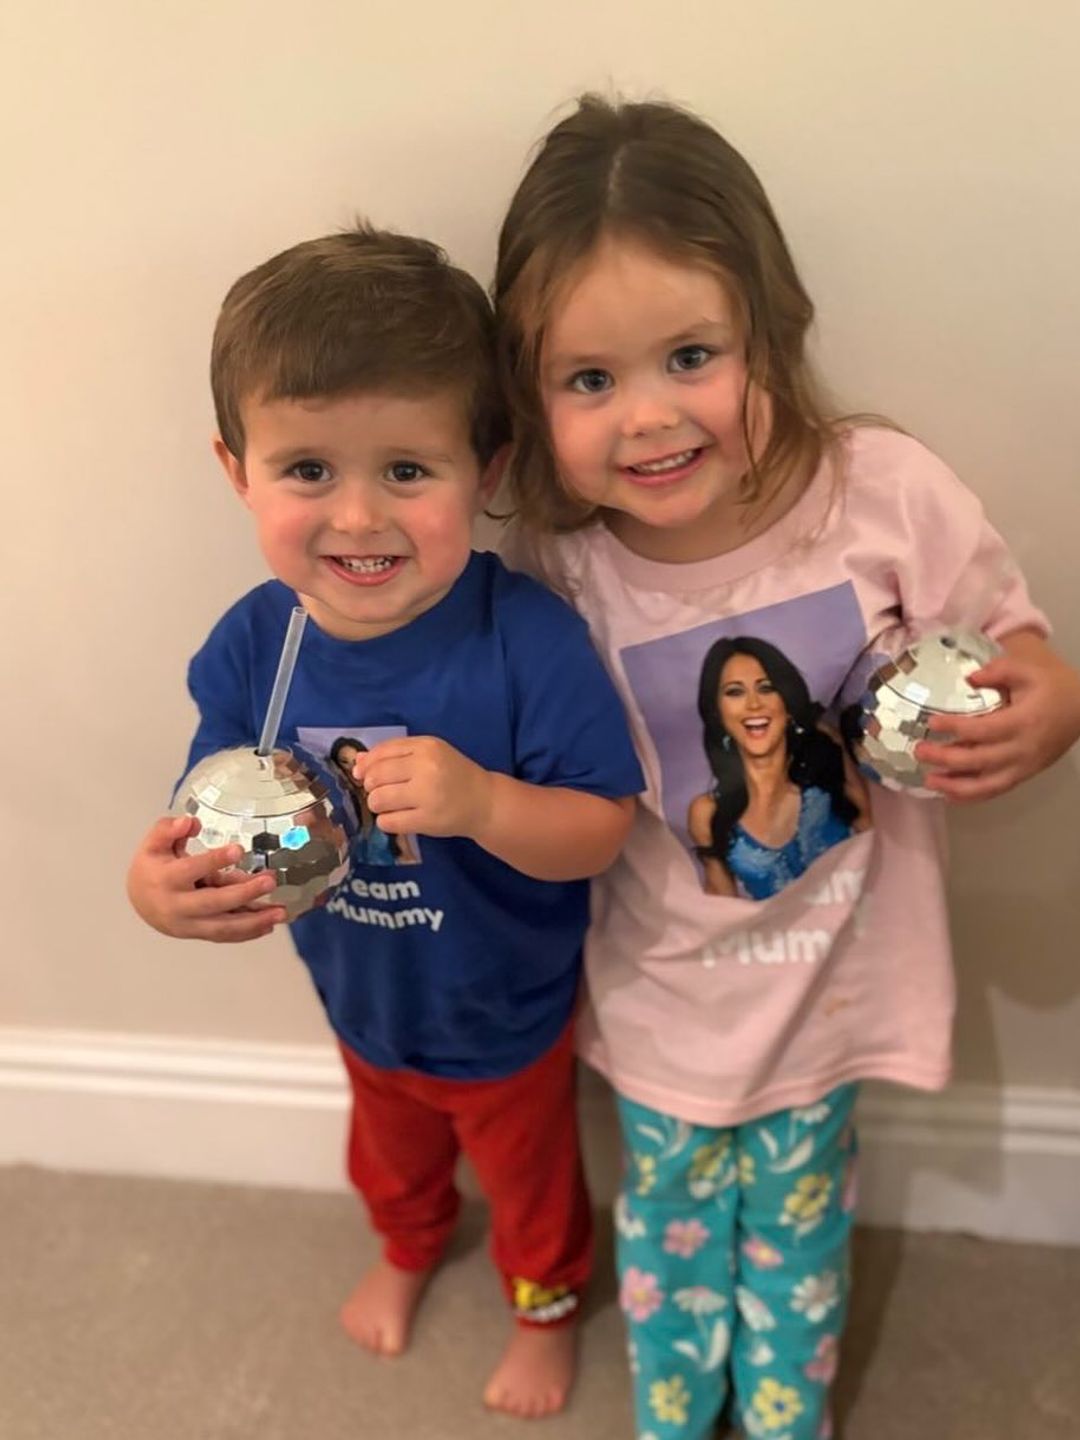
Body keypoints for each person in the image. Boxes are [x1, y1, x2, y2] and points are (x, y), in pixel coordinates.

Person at [493, 94, 1080, 1440]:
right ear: (529, 396)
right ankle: (672, 1419)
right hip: (663, 1000)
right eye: (590, 380)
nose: (647, 418)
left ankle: (783, 1418)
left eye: (690, 355)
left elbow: (1022, 650)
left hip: (835, 991)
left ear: (773, 329)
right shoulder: (557, 573)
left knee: (799, 1247)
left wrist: (1053, 706)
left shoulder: (881, 492)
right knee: (673, 1245)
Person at [126, 224, 643, 1420]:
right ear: (235, 470)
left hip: (507, 1009)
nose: (357, 516)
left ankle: (545, 1306)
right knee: (389, 1155)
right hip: (360, 996)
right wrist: (159, 886)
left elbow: (601, 830)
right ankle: (410, 1244)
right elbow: (202, 804)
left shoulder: (527, 642)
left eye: (408, 471)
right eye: (306, 470)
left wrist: (483, 803)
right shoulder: (255, 643)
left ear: (490, 471)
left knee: (533, 1185)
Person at [687, 637, 869, 899]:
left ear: (788, 702)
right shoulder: (706, 813)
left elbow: (874, 836)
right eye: (735, 692)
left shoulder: (828, 760)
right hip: (783, 940)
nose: (753, 704)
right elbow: (723, 910)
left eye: (767, 688)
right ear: (717, 712)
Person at [328, 735, 418, 865]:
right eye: (344, 762)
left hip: (393, 875)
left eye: (357, 761)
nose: (353, 769)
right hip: (349, 876)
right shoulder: (338, 806)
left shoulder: (385, 797)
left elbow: (404, 850)